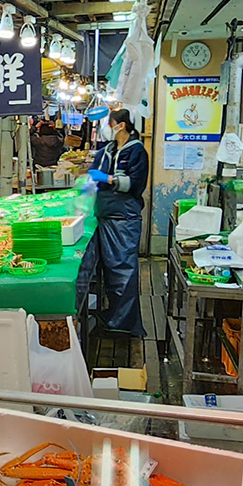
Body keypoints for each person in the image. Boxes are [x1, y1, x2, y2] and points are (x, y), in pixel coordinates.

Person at [77, 109, 150, 336]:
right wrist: (88, 185)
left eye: (109, 123)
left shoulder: (137, 151)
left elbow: (137, 184)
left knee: (123, 271)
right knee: (110, 270)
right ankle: (114, 315)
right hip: (105, 215)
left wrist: (108, 179)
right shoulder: (107, 149)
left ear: (121, 126)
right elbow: (94, 172)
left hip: (124, 219)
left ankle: (124, 324)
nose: (106, 128)